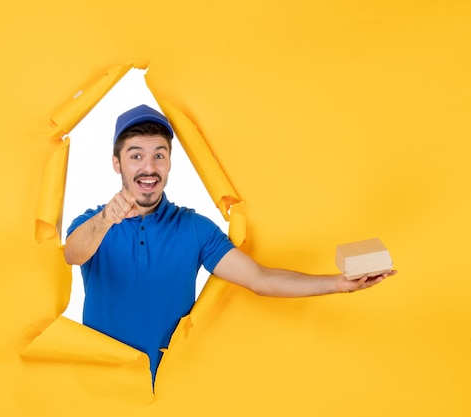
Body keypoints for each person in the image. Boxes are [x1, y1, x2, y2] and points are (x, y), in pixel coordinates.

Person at [64, 104, 396, 382]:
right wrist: (107, 218)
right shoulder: (92, 223)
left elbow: (260, 279)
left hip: (170, 390)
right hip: (100, 387)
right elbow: (73, 254)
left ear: (169, 163)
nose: (149, 167)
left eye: (159, 155)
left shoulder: (194, 228)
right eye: (136, 156)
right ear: (116, 163)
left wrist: (337, 284)